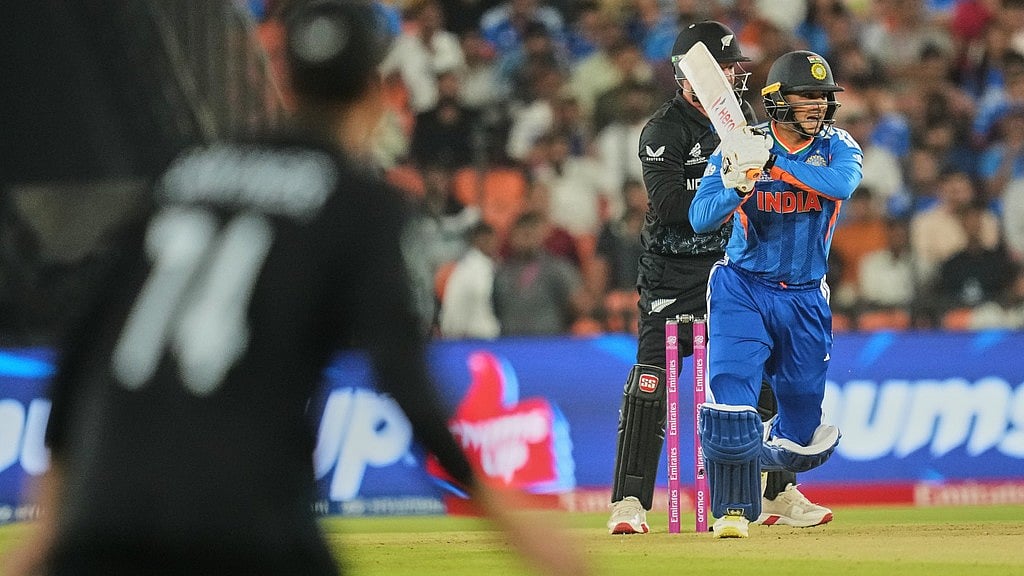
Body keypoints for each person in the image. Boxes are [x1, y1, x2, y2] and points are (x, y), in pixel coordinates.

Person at [6, 2, 592, 575]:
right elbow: (403, 375)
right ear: (374, 93)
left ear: (282, 80)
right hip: (241, 512)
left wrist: (51, 522)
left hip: (107, 505)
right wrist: (506, 519)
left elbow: (86, 342)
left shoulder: (186, 174)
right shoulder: (359, 205)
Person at [607, 21, 832, 536]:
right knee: (651, 382)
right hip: (674, 275)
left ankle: (774, 490)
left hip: (736, 271)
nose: (732, 75)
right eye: (722, 67)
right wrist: (727, 185)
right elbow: (667, 209)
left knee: (766, 379)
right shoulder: (664, 130)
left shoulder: (745, 120)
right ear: (691, 75)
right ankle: (630, 503)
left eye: (733, 67)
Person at [688, 49, 862, 538]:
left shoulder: (838, 146)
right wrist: (735, 185)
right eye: (808, 97)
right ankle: (732, 511)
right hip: (743, 286)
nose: (819, 107)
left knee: (804, 436)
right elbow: (702, 218)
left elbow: (841, 185)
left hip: (806, 298)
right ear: (778, 101)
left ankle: (748, 449)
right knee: (732, 394)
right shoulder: (738, 148)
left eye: (824, 98)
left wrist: (775, 164)